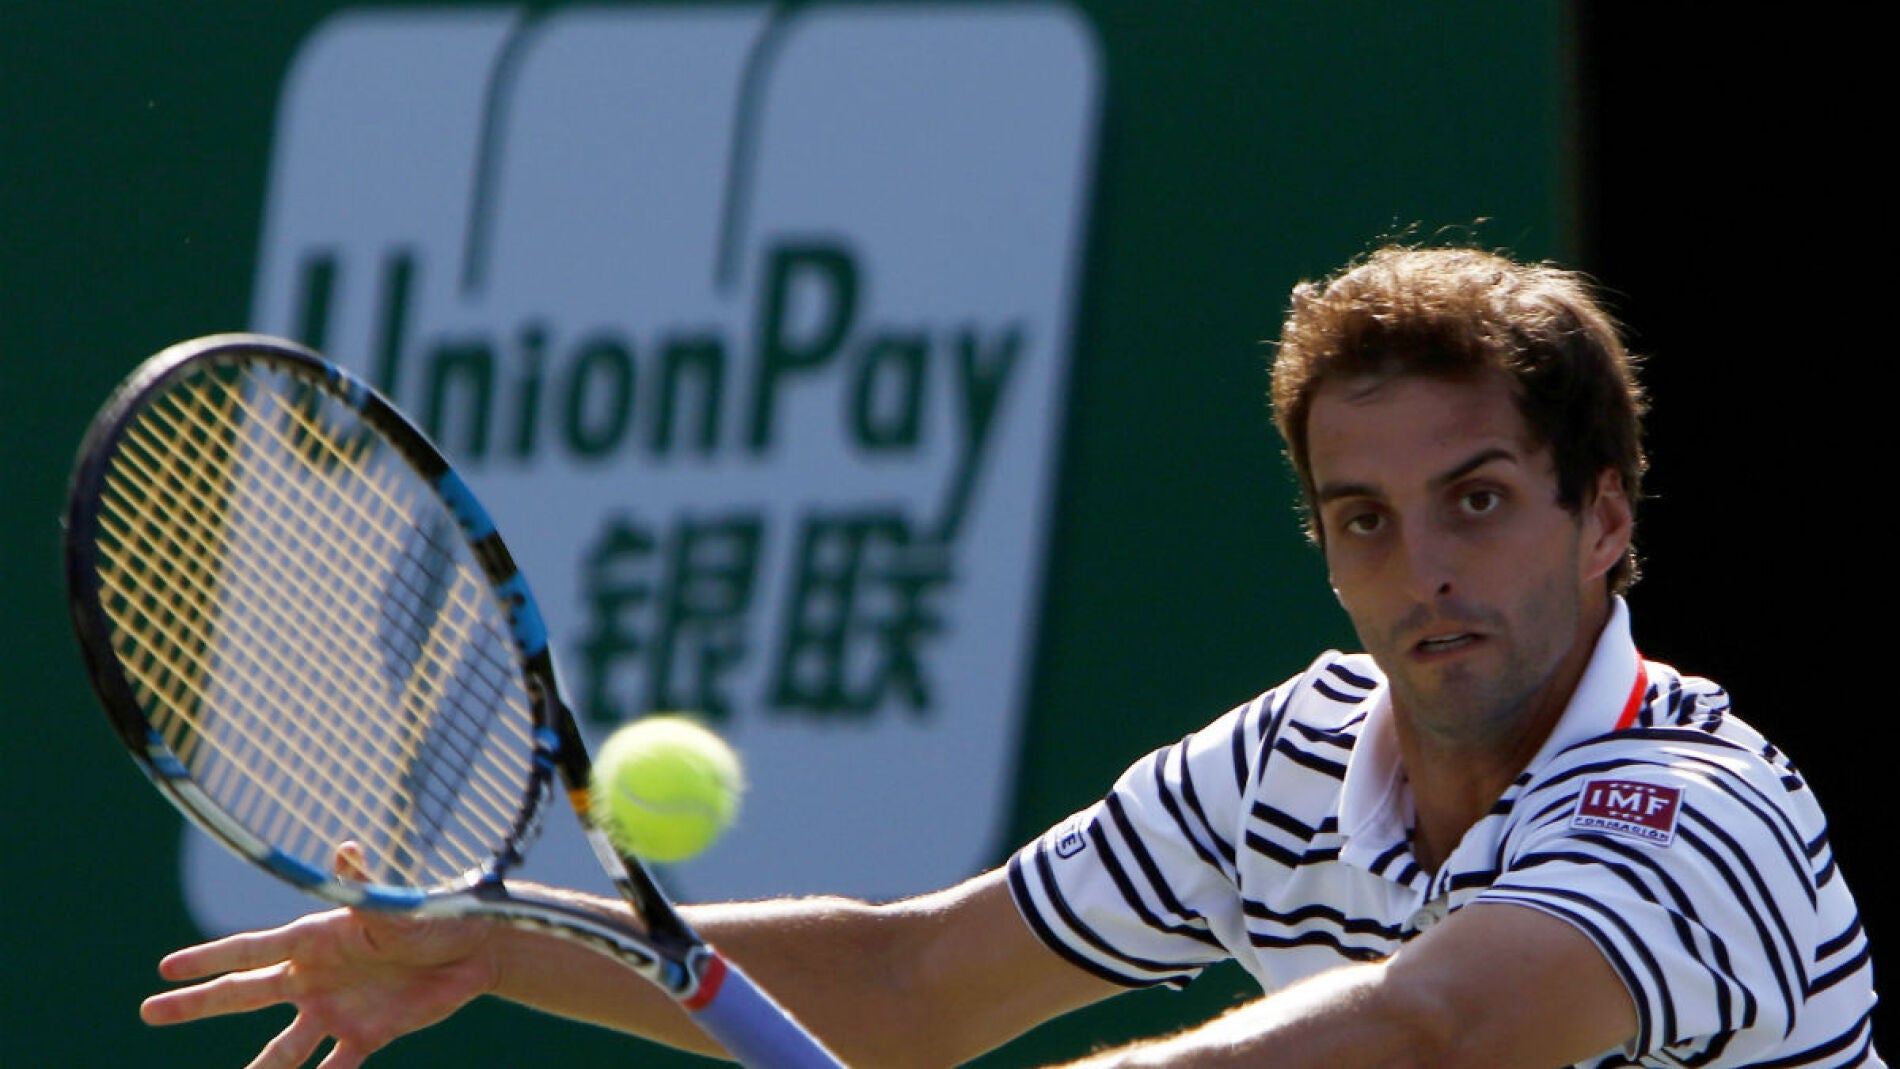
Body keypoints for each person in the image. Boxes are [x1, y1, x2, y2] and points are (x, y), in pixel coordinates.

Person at [140, 245, 1882, 1068]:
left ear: (1605, 520)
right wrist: (496, 938)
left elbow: (1434, 1029)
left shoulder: (1687, 810)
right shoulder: (1291, 761)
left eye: (1480, 499)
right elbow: (917, 979)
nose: (1423, 566)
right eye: (1364, 516)